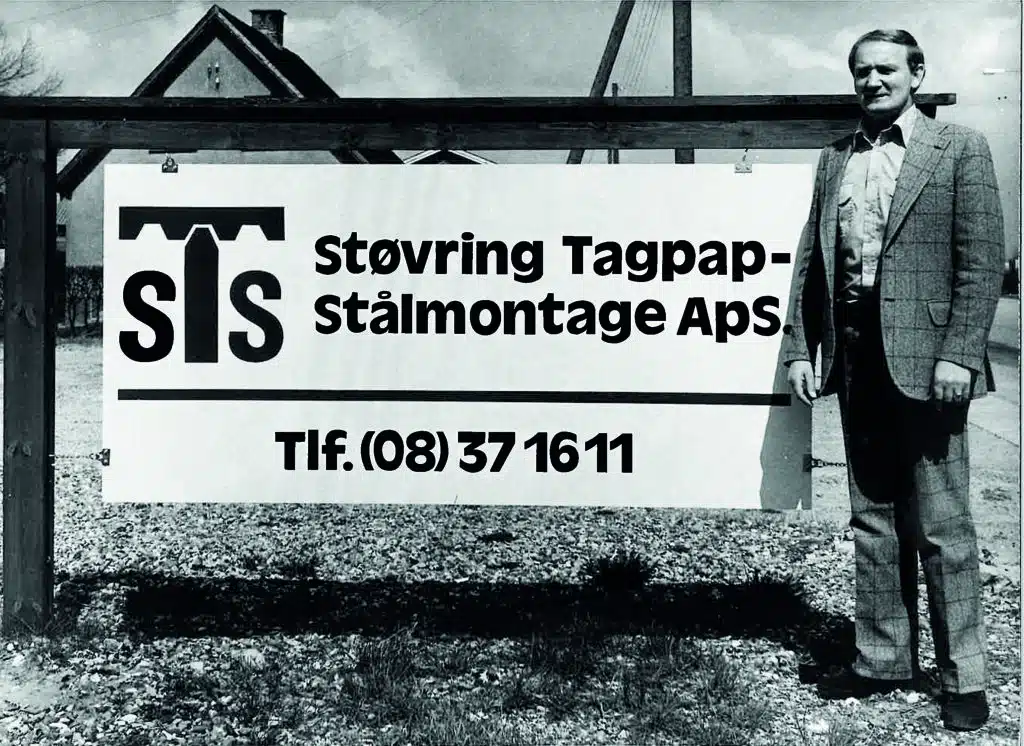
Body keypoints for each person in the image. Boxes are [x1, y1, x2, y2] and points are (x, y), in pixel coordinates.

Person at [781, 28, 1004, 732]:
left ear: (916, 74)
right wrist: (800, 347)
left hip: (931, 365)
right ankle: (882, 659)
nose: (873, 81)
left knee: (942, 524)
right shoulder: (835, 158)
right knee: (872, 515)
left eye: (886, 69)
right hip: (856, 359)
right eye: (861, 72)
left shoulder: (959, 148)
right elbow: (812, 262)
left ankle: (963, 676)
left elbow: (981, 260)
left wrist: (959, 353)